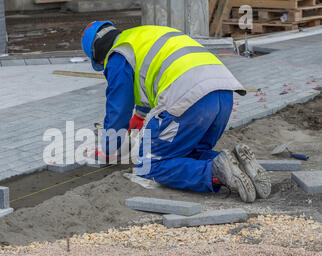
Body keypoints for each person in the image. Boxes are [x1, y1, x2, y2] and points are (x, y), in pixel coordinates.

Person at [81, 21, 271, 203]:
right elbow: (152, 72)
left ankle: (214, 172)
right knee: (189, 153)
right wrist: (140, 114)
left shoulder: (117, 55)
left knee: (150, 165)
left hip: (190, 98)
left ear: (98, 56)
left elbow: (118, 109)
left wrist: (108, 149)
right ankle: (241, 165)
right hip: (223, 94)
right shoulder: (139, 36)